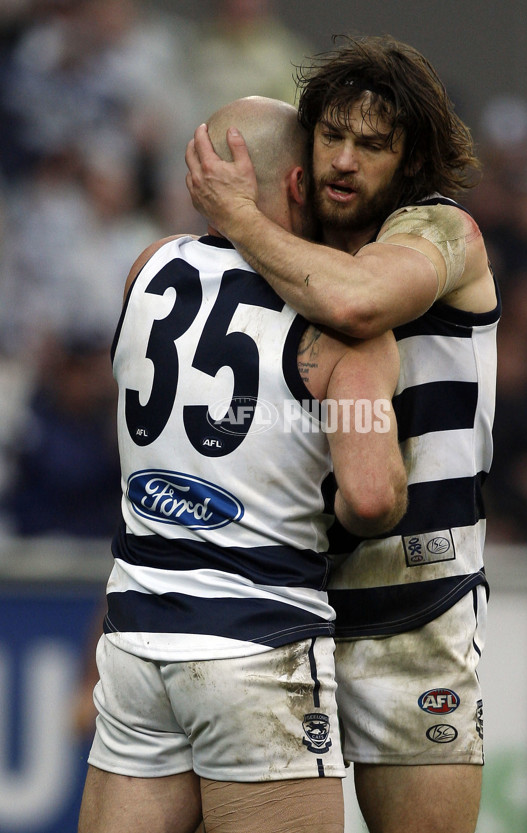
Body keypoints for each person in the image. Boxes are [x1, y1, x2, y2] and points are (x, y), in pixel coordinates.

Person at [184, 35, 500, 833]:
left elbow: (357, 302)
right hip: (284, 610)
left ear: (411, 159)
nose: (345, 161)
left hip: (416, 618)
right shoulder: (290, 252)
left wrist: (237, 216)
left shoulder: (442, 233)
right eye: (332, 135)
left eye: (373, 144)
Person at [78, 95, 407, 833]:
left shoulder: (147, 268)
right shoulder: (342, 324)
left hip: (136, 638)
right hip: (260, 642)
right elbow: (372, 493)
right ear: (297, 184)